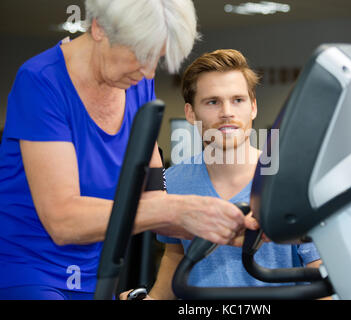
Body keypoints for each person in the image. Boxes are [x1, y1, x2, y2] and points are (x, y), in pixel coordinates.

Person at [0, 0, 257, 300]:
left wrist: (221, 223)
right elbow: (63, 220)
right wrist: (177, 209)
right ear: (99, 28)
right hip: (30, 269)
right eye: (141, 54)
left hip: (96, 268)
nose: (148, 71)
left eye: (157, 58)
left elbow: (154, 187)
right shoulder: (41, 81)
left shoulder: (137, 82)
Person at [121, 49, 323, 300]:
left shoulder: (292, 181)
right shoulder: (172, 182)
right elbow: (176, 258)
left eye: (237, 100)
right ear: (190, 113)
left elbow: (319, 273)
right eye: (212, 102)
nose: (227, 112)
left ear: (253, 108)